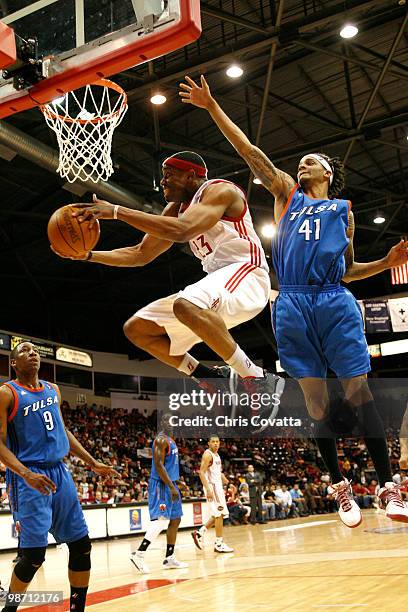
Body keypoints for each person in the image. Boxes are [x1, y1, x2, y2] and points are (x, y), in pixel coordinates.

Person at [179, 74, 408, 528]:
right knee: (315, 399)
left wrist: (387, 261)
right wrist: (211, 108)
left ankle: (388, 487)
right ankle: (339, 484)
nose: (301, 165)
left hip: (333, 299)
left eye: (310, 162)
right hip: (291, 301)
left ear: (327, 172)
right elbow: (249, 151)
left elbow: (348, 270)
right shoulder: (285, 193)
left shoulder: (342, 211)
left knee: (358, 387)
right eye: (300, 162)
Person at [54, 151, 284, 415]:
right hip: (218, 285)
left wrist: (117, 211)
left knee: (186, 305)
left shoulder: (219, 191)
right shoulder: (176, 210)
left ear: (191, 175)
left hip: (247, 274)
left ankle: (255, 377)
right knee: (138, 329)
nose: (162, 182)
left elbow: (183, 230)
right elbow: (140, 254)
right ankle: (209, 378)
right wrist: (88, 255)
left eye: (168, 175)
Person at [0, 341, 118, 612]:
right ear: (14, 363)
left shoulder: (53, 390)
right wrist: (25, 473)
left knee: (81, 546)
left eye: (34, 350)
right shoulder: (7, 393)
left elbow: (63, 431)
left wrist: (91, 462)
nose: (32, 354)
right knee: (32, 556)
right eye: (24, 351)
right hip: (28, 477)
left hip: (59, 473)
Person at [130, 414, 188, 573]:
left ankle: (169, 558)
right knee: (162, 521)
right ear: (162, 423)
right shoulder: (161, 440)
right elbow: (159, 465)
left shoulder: (172, 440)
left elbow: (169, 465)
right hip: (162, 485)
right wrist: (170, 486)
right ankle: (139, 554)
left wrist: (177, 482)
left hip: (171, 483)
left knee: (175, 519)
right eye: (167, 420)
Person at [191, 435, 233, 553]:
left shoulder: (216, 455)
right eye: (213, 442)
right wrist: (208, 489)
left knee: (217, 515)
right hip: (212, 487)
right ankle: (219, 543)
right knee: (219, 514)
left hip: (217, 487)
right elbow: (201, 472)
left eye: (217, 442)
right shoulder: (208, 454)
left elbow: (218, 472)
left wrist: (229, 483)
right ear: (208, 443)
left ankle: (199, 533)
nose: (215, 443)